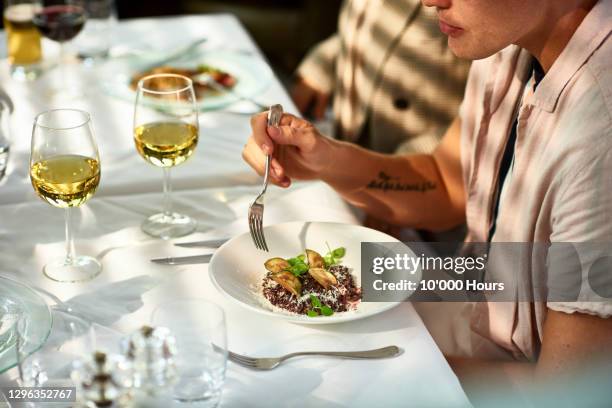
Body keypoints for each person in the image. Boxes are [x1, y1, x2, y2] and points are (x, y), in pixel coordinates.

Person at [243, 0, 612, 398]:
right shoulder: (511, 39)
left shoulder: (599, 140)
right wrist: (325, 161)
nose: (427, 1)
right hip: (465, 302)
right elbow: (447, 184)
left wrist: (359, 368)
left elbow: (567, 393)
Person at [292, 0, 470, 155]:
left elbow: (484, 107)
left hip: (413, 165)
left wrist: (417, 161)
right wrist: (322, 64)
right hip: (350, 139)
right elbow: (366, 25)